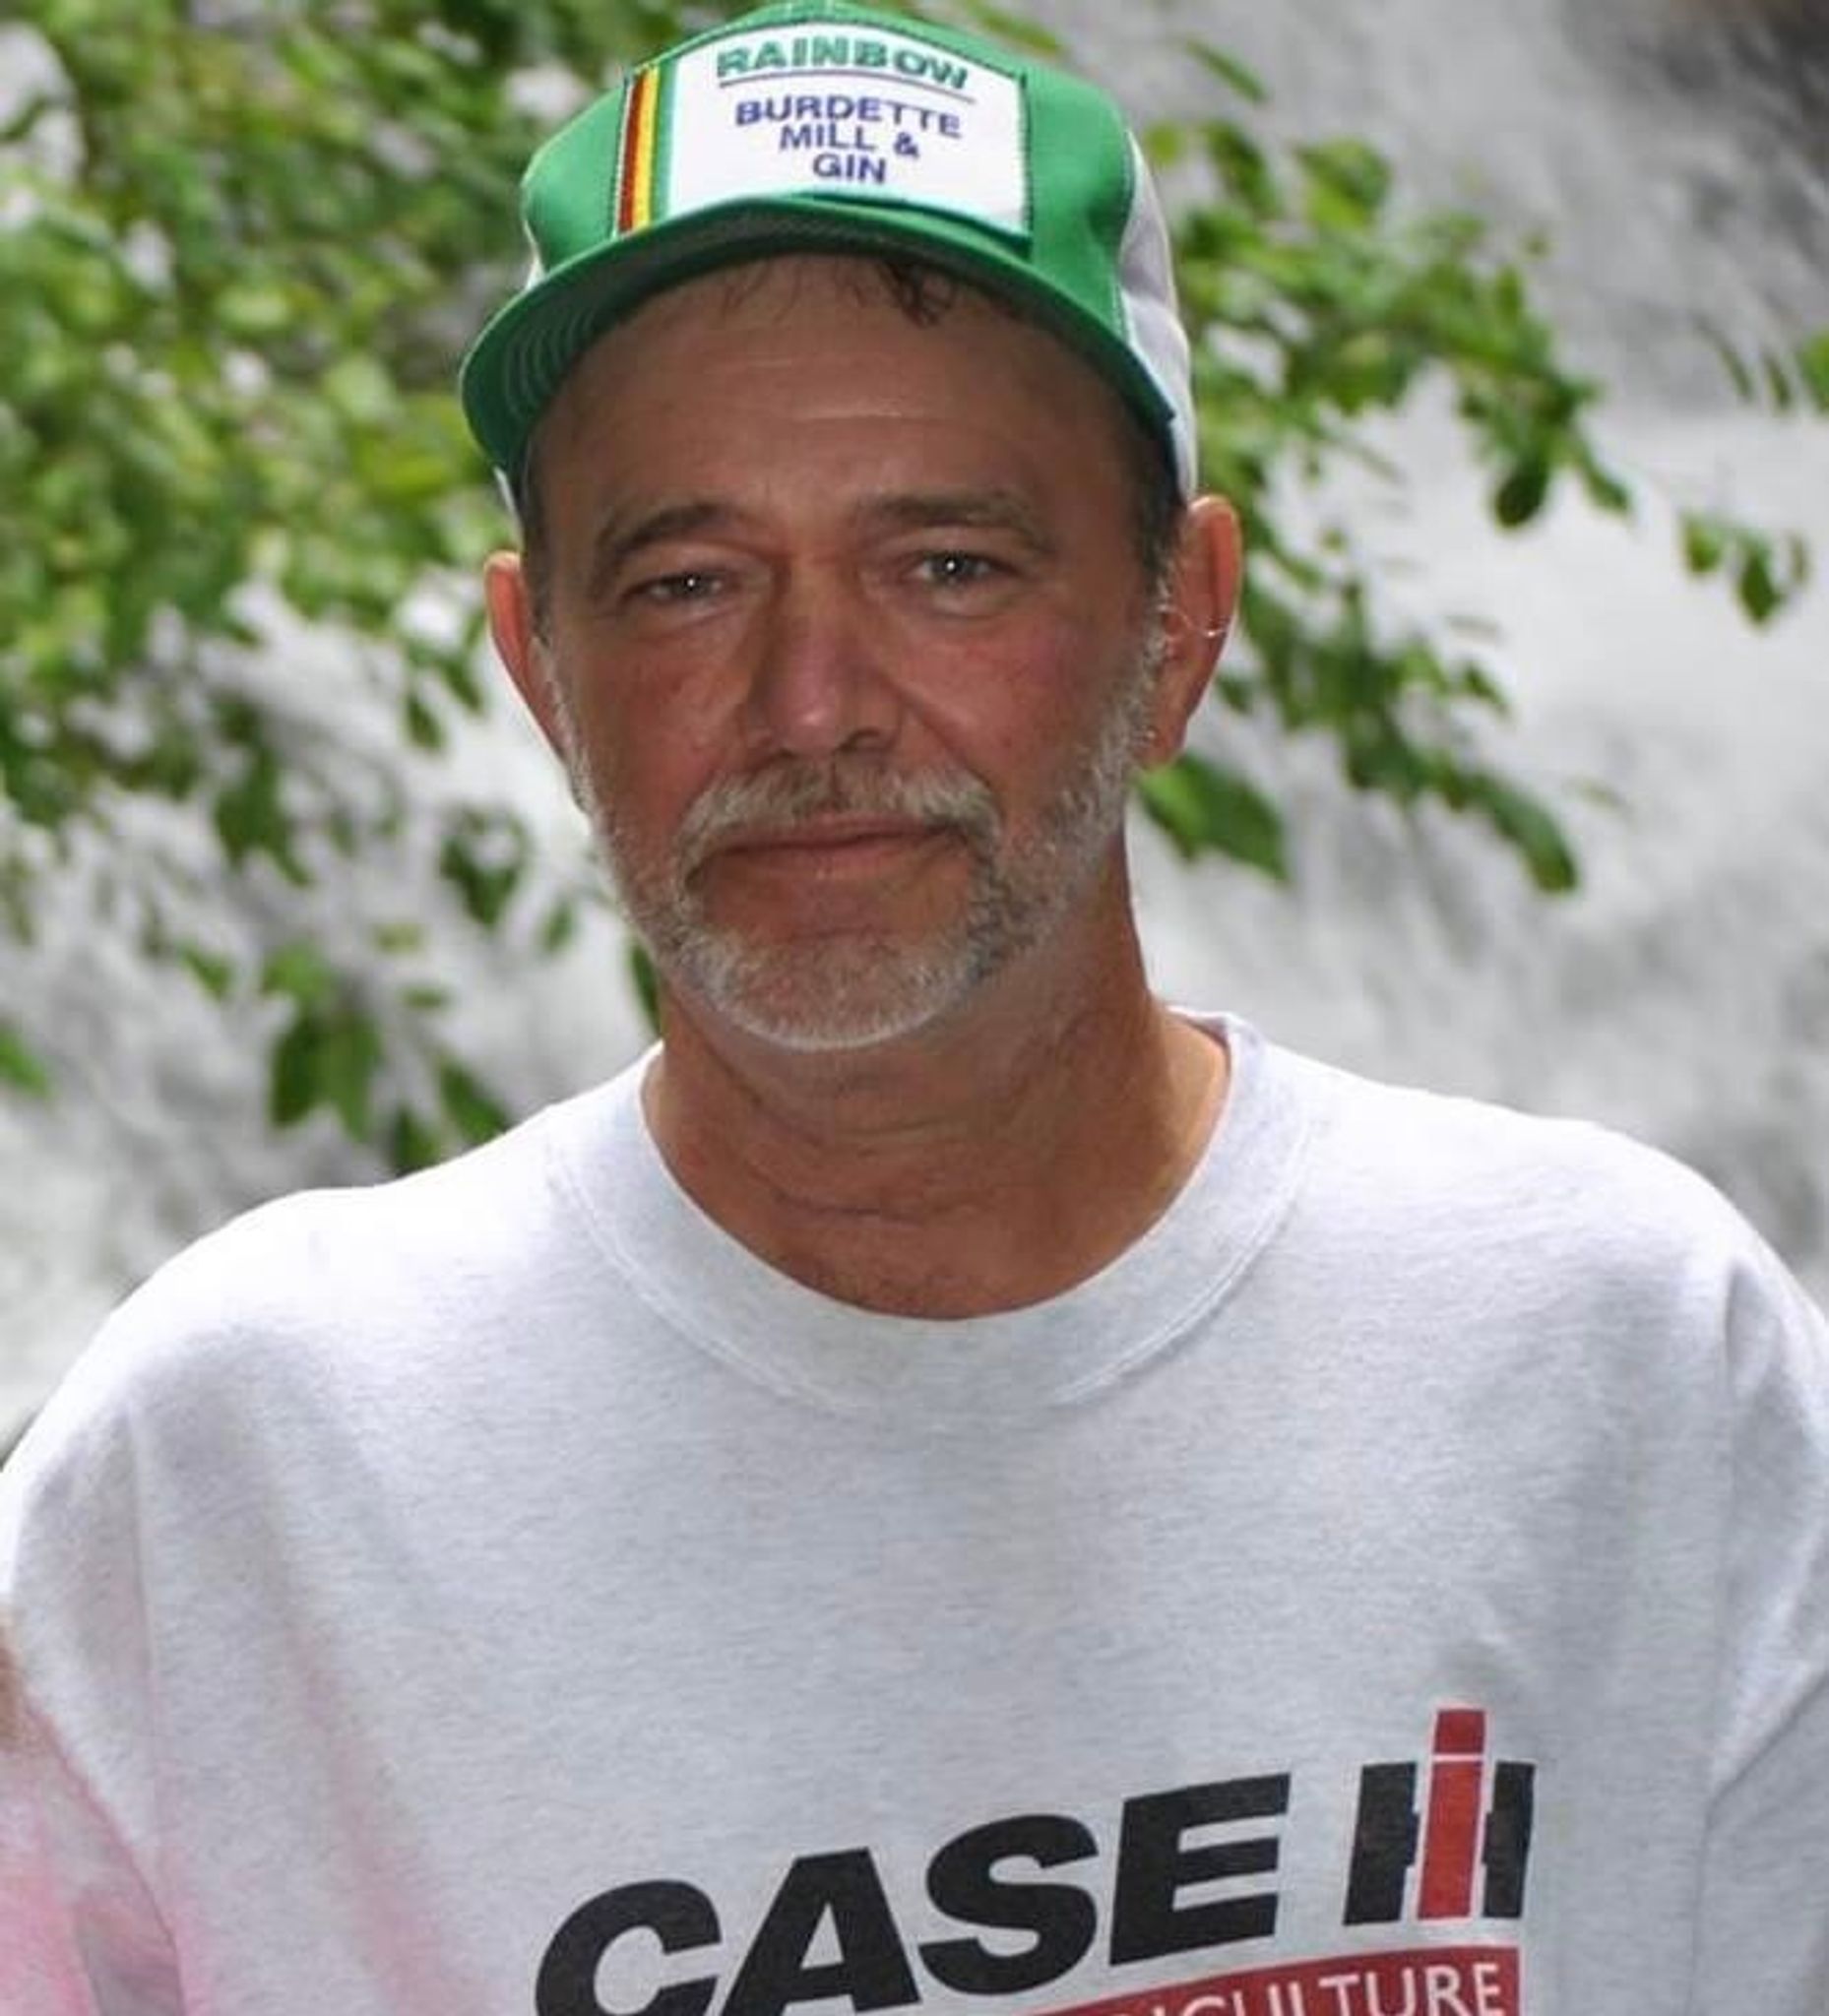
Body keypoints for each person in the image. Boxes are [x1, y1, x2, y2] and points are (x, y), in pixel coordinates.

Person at [3, 3, 1826, 2011]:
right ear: (538, 667)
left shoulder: (1625, 1357)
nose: (811, 707)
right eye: (687, 582)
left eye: (947, 566)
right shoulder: (234, 1472)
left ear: (1179, 625)